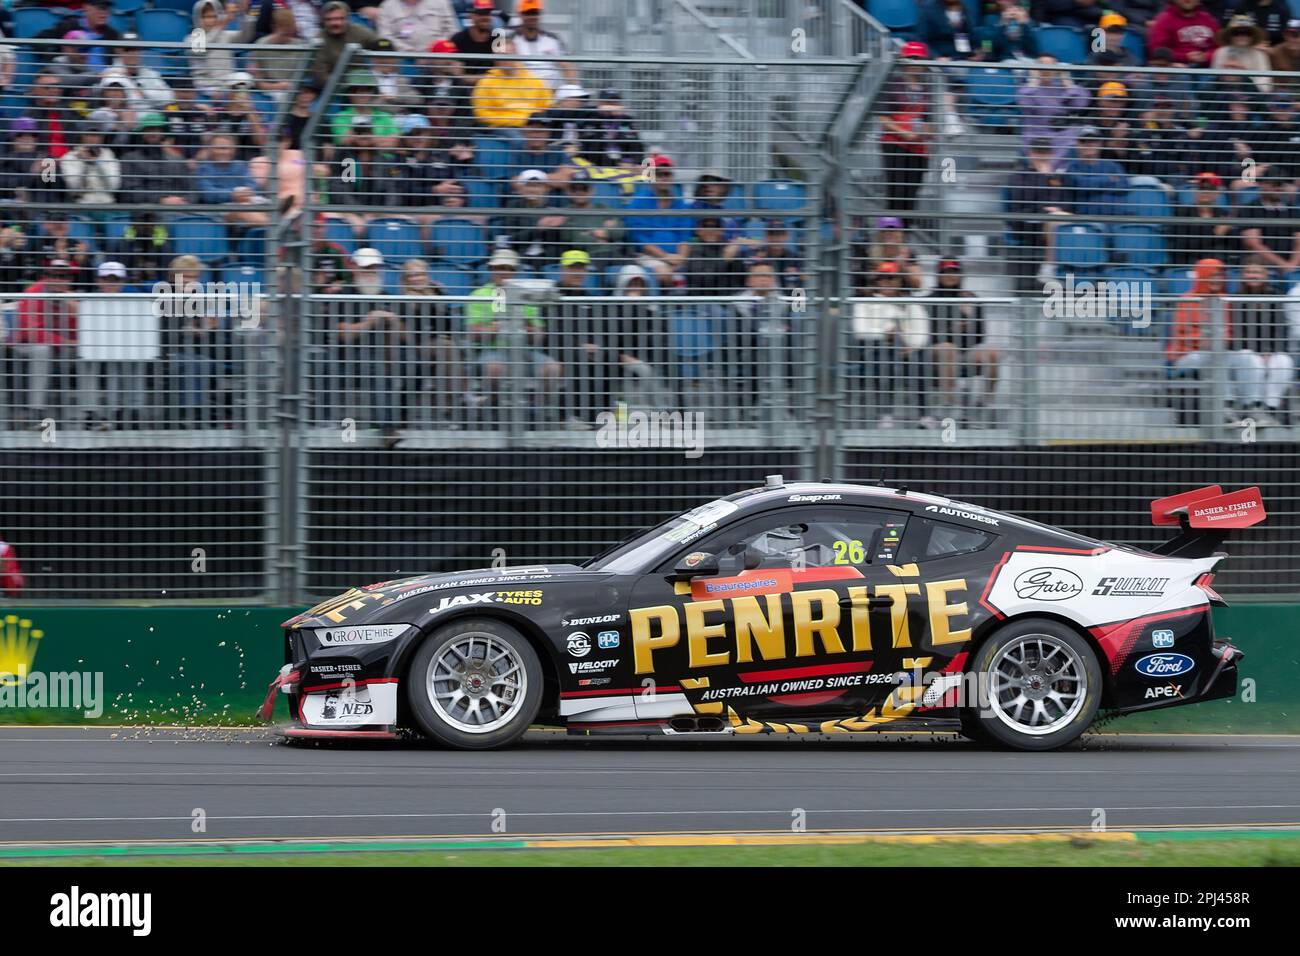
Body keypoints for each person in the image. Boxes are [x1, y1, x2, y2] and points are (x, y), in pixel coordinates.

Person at [464, 248, 562, 421]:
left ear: (515, 271)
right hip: (491, 351)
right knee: (495, 367)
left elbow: (539, 333)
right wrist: (497, 329)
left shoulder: (527, 295)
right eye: (499, 267)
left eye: (508, 268)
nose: (504, 272)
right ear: (491, 270)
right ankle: (493, 404)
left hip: (523, 350)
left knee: (552, 368)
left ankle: (535, 409)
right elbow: (473, 332)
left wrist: (526, 328)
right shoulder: (478, 295)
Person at [850, 262, 932, 429]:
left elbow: (922, 333)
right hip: (874, 350)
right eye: (883, 278)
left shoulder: (911, 304)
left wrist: (910, 345)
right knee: (885, 359)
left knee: (920, 359)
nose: (887, 282)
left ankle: (925, 416)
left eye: (892, 278)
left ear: (900, 281)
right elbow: (860, 330)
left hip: (907, 351)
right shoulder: (865, 302)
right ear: (877, 282)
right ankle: (885, 414)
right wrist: (885, 333)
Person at [1167, 257, 1249, 425]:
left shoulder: (1227, 301)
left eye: (1219, 276)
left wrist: (1220, 340)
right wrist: (1203, 341)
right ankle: (1225, 405)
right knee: (1216, 355)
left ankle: (1252, 406)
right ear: (1202, 276)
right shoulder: (1187, 300)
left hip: (1220, 351)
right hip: (1188, 355)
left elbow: (1231, 332)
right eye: (1212, 276)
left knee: (1246, 357)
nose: (1217, 280)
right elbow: (1181, 333)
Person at [927, 258, 1000, 426]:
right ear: (939, 275)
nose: (950, 276)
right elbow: (927, 334)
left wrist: (969, 320)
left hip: (965, 353)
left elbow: (981, 335)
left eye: (954, 272)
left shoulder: (971, 298)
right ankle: (949, 404)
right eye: (946, 272)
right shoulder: (929, 298)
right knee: (948, 348)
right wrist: (951, 330)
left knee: (993, 353)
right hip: (935, 354)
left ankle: (985, 404)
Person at [13, 262, 78, 428]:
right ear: (46, 277)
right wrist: (66, 341)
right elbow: (31, 333)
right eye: (53, 275)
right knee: (42, 350)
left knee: (88, 352)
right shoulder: (33, 293)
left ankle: (91, 414)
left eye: (62, 276)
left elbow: (80, 335)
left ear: (69, 279)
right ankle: (36, 411)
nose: (57, 279)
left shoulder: (71, 298)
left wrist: (77, 313)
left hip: (58, 346)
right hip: (24, 344)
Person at [1231, 259, 1294, 424]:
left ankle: (1270, 408)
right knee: (1252, 360)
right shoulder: (1236, 299)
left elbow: (1280, 329)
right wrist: (1257, 351)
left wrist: (1269, 350)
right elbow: (1237, 331)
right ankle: (1253, 406)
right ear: (1243, 276)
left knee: (1283, 361)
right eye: (1249, 272)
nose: (1252, 275)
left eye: (1257, 272)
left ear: (1265, 275)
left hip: (1270, 349)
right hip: (1245, 350)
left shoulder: (1275, 297)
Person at [878, 41, 933, 222]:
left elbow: (929, 121)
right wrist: (905, 133)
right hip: (896, 145)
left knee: (911, 195)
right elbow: (883, 119)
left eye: (919, 59)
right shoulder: (892, 84)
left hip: (918, 148)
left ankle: (904, 241)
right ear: (903, 60)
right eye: (911, 58)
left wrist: (924, 133)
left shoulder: (928, 89)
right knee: (896, 194)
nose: (915, 63)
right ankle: (891, 237)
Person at [510, 0, 576, 91]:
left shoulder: (553, 39)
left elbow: (568, 66)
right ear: (520, 15)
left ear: (540, 14)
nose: (532, 17)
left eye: (535, 13)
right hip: (523, 93)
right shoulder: (510, 40)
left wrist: (573, 90)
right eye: (528, 13)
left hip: (551, 92)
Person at [1147, 0, 1220, 66]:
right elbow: (1157, 51)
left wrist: (1206, 56)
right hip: (1178, 69)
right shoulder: (1164, 20)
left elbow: (1220, 47)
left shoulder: (1207, 19)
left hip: (1208, 68)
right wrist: (1185, 57)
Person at [375, 0, 457, 54]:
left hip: (438, 55)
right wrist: (409, 51)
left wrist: (434, 49)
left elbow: (452, 30)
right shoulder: (387, 6)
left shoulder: (441, 2)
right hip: (403, 57)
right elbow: (385, 36)